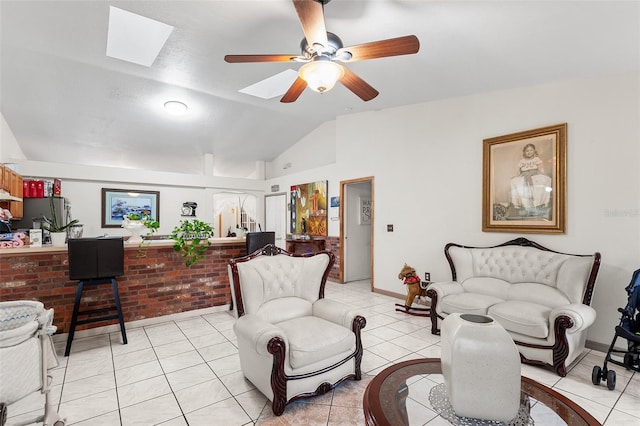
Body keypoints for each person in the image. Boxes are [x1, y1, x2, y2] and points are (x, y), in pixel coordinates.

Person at [510, 143, 552, 214]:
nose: (529, 152)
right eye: (527, 151)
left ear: (534, 151)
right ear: (524, 152)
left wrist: (542, 173)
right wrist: (516, 176)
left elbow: (540, 168)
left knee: (546, 180)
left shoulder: (536, 159)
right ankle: (521, 204)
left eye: (531, 150)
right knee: (515, 182)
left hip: (534, 174)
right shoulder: (522, 161)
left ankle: (542, 202)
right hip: (525, 175)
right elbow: (519, 171)